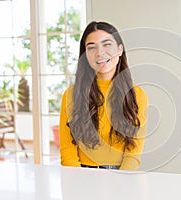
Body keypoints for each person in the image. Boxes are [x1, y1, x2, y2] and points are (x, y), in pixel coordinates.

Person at [59, 21, 148, 170]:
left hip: (122, 175)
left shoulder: (137, 95)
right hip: (82, 174)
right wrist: (78, 182)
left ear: (120, 50)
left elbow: (132, 154)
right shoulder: (71, 95)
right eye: (91, 47)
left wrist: (120, 182)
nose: (99, 53)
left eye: (106, 44)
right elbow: (68, 152)